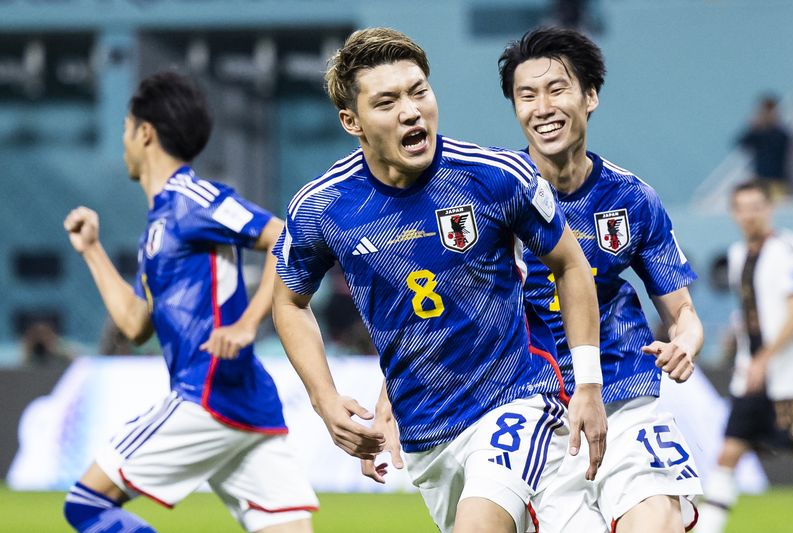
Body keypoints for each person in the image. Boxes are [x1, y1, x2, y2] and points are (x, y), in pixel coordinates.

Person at [272, 27, 606, 533]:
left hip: (515, 400)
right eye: (387, 102)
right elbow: (289, 302)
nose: (411, 111)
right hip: (425, 434)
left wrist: (589, 383)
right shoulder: (322, 206)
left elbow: (571, 264)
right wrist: (324, 398)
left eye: (419, 92)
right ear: (351, 121)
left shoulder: (496, 176)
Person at [62, 71, 317, 533]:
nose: (123, 140)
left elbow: (284, 236)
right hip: (247, 404)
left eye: (125, 128)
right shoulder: (159, 226)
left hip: (206, 394)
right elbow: (135, 323)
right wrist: (92, 250)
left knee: (86, 505)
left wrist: (248, 324)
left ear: (145, 133)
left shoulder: (194, 199)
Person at [497, 27, 704, 533]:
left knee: (656, 520)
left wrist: (686, 342)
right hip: (533, 406)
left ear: (590, 97)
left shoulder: (631, 199)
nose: (542, 108)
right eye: (527, 95)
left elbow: (682, 312)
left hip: (624, 391)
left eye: (557, 89)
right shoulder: (494, 197)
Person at [696, 181, 793, 533]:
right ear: (734, 213)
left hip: (789, 377)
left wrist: (764, 360)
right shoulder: (738, 254)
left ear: (769, 208)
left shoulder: (788, 249)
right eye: (742, 208)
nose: (750, 215)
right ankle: (708, 528)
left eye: (757, 206)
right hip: (750, 376)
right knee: (728, 452)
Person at [736, 95, 792, 199]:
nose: (767, 114)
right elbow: (742, 143)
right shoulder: (757, 133)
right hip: (760, 179)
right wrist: (753, 127)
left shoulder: (781, 134)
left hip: (777, 181)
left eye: (770, 111)